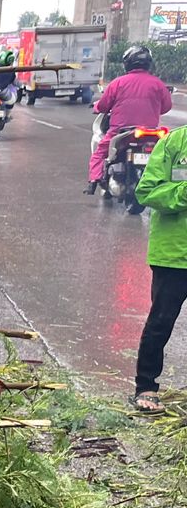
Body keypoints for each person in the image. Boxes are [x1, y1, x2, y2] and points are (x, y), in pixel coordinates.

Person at [131, 116, 187, 412]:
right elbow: (146, 192)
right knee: (160, 323)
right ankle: (146, 386)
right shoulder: (174, 143)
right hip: (173, 255)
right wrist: (183, 192)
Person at [89, 45, 173, 197]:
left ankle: (94, 181)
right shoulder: (158, 84)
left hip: (120, 131)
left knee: (99, 153)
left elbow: (103, 105)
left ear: (127, 63)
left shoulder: (118, 83)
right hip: (151, 132)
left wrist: (96, 107)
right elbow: (166, 106)